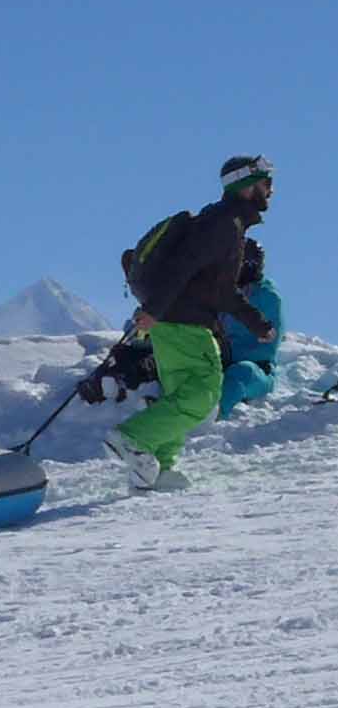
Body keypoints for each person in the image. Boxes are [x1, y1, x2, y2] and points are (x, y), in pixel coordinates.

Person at [104, 154, 276, 491]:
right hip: (184, 323)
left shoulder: (225, 223)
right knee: (204, 395)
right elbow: (182, 266)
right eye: (265, 182)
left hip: (174, 322)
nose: (271, 189)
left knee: (180, 395)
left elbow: (221, 290)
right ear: (246, 185)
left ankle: (158, 468)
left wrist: (257, 324)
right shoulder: (222, 224)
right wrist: (154, 310)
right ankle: (133, 438)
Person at [218, 239, 284, 419]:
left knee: (241, 372)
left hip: (256, 370)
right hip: (218, 362)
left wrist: (228, 355)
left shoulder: (267, 296)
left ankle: (213, 416)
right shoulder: (222, 291)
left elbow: (267, 346)